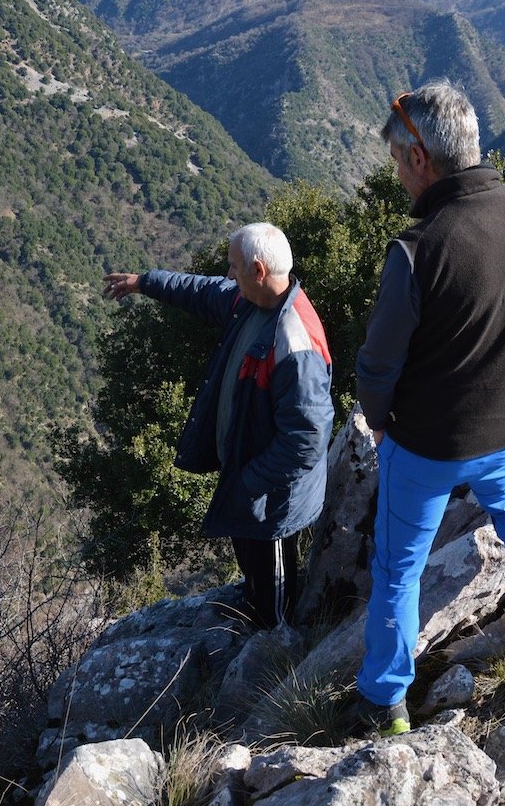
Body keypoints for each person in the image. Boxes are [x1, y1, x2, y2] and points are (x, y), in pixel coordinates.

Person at [354, 81, 505, 736]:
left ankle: (386, 701)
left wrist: (378, 420)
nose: (400, 178)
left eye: (399, 163)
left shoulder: (416, 251)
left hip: (427, 444)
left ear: (420, 158)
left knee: (399, 563)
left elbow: (378, 366)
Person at [103, 223, 334, 628]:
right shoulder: (250, 302)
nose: (228, 276)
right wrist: (144, 283)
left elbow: (307, 439)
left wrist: (248, 482)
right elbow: (201, 290)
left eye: (233, 267)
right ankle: (255, 611)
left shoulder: (293, 340)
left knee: (273, 588)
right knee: (252, 568)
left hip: (272, 500)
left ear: (258, 270)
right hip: (248, 477)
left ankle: (274, 659)